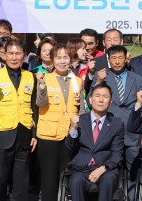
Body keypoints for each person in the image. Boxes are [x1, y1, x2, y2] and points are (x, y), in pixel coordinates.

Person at [0, 38, 36, 201]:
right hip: (1, 136)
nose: (14, 57)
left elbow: (34, 107)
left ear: (24, 55)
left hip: (23, 136)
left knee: (21, 184)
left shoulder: (30, 77)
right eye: (11, 53)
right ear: (4, 55)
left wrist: (34, 134)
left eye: (18, 53)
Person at [34, 43, 83, 201]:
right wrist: (41, 85)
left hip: (70, 135)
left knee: (67, 178)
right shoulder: (45, 78)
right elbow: (40, 103)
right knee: (49, 180)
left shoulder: (77, 81)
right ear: (52, 59)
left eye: (66, 57)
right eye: (58, 57)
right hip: (49, 137)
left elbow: (81, 109)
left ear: (71, 59)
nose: (62, 61)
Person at [97, 44, 142, 195]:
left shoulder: (137, 79)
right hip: (109, 130)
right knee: (109, 169)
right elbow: (92, 100)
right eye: (113, 58)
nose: (117, 61)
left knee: (133, 170)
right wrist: (98, 81)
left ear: (126, 59)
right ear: (108, 59)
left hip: (132, 132)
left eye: (120, 58)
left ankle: (132, 196)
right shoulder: (103, 77)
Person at [65, 83, 125, 201]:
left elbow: (117, 153)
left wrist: (102, 169)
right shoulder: (79, 121)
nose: (101, 100)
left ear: (110, 102)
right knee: (76, 181)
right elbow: (68, 150)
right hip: (81, 168)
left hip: (105, 168)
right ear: (91, 100)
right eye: (97, 96)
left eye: (105, 97)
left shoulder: (117, 124)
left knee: (108, 179)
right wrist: (73, 129)